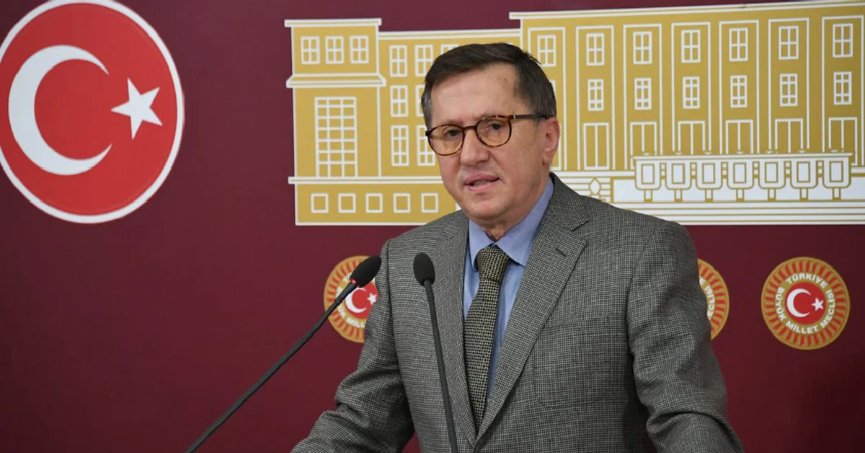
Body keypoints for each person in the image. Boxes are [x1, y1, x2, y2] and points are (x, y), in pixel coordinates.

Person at [295, 43, 742, 452]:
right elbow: (364, 424)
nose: (470, 154)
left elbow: (687, 417)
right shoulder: (408, 261)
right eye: (450, 133)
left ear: (548, 137)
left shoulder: (639, 252)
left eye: (494, 127)